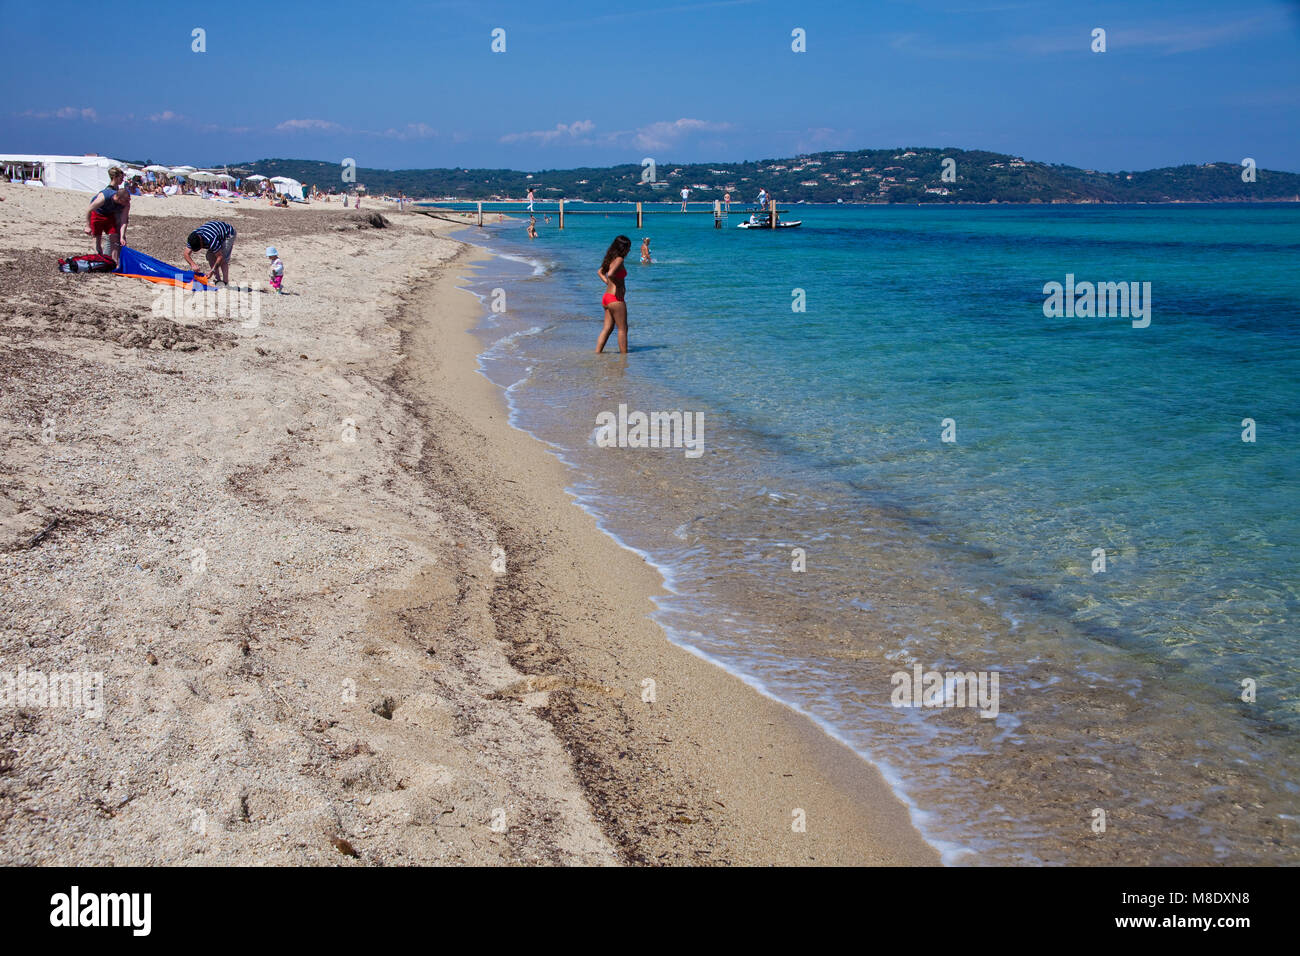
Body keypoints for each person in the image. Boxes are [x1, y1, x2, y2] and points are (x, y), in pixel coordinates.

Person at [85, 166, 130, 263]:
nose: (122, 180)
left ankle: (114, 261)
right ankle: (101, 258)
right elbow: (89, 209)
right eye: (121, 178)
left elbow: (124, 220)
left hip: (109, 214)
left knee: (114, 236)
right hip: (98, 213)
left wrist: (122, 236)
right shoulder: (106, 194)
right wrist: (87, 226)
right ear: (115, 177)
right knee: (97, 237)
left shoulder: (118, 192)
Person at [596, 235, 632, 354]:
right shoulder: (619, 259)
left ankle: (597, 353)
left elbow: (600, 272)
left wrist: (608, 283)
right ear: (623, 248)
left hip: (607, 298)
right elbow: (611, 274)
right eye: (628, 248)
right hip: (615, 299)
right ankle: (624, 357)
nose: (629, 251)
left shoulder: (610, 258)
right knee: (623, 329)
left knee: (607, 328)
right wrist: (617, 285)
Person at [183, 219, 237, 285]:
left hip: (228, 234)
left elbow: (220, 257)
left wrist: (212, 271)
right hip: (214, 231)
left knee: (223, 259)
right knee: (210, 257)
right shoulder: (192, 239)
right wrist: (192, 264)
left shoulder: (210, 240)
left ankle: (225, 282)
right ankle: (218, 280)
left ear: (201, 242)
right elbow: (186, 254)